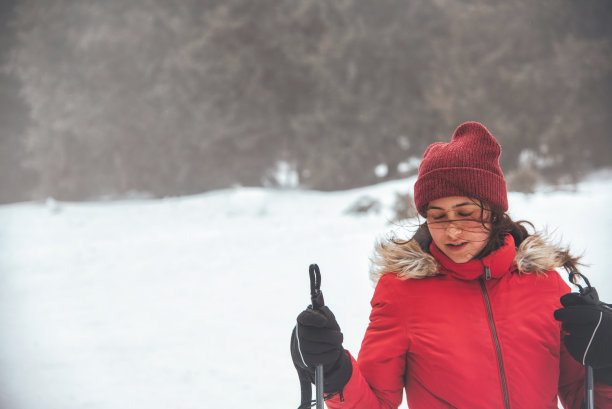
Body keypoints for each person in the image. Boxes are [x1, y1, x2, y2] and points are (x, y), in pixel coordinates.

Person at [290, 122, 612, 409]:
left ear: (494, 211)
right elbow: (376, 403)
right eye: (438, 216)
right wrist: (334, 372)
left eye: (466, 212)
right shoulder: (402, 292)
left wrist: (608, 365)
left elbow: (581, 397)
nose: (453, 231)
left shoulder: (545, 284)